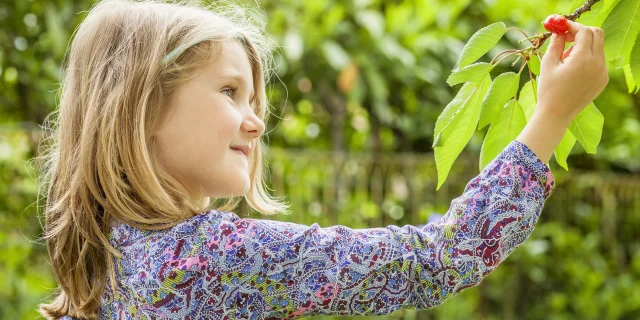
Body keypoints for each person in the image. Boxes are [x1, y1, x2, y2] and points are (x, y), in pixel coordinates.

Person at [36, 0, 608, 319]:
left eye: (254, 99)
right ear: (144, 109)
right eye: (229, 92)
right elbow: (441, 258)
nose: (257, 120)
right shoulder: (212, 258)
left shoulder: (106, 262)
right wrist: (550, 116)